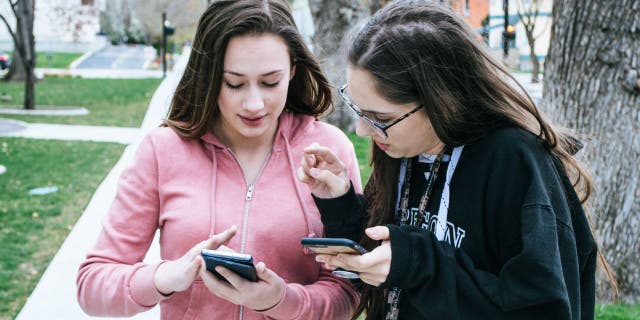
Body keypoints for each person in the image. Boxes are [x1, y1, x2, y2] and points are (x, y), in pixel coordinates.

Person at [298, 1, 614, 319]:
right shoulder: (402, 148)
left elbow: (545, 308)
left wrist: (421, 265)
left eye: (379, 117)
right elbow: (386, 263)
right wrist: (340, 203)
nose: (362, 130)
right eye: (357, 109)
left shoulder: (515, 161)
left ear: (440, 100)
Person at [76, 1, 362, 319]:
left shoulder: (329, 150)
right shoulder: (162, 150)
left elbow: (349, 289)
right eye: (234, 83)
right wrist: (166, 276)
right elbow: (93, 287)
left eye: (270, 82)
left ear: (293, 70)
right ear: (210, 76)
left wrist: (280, 300)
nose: (254, 103)